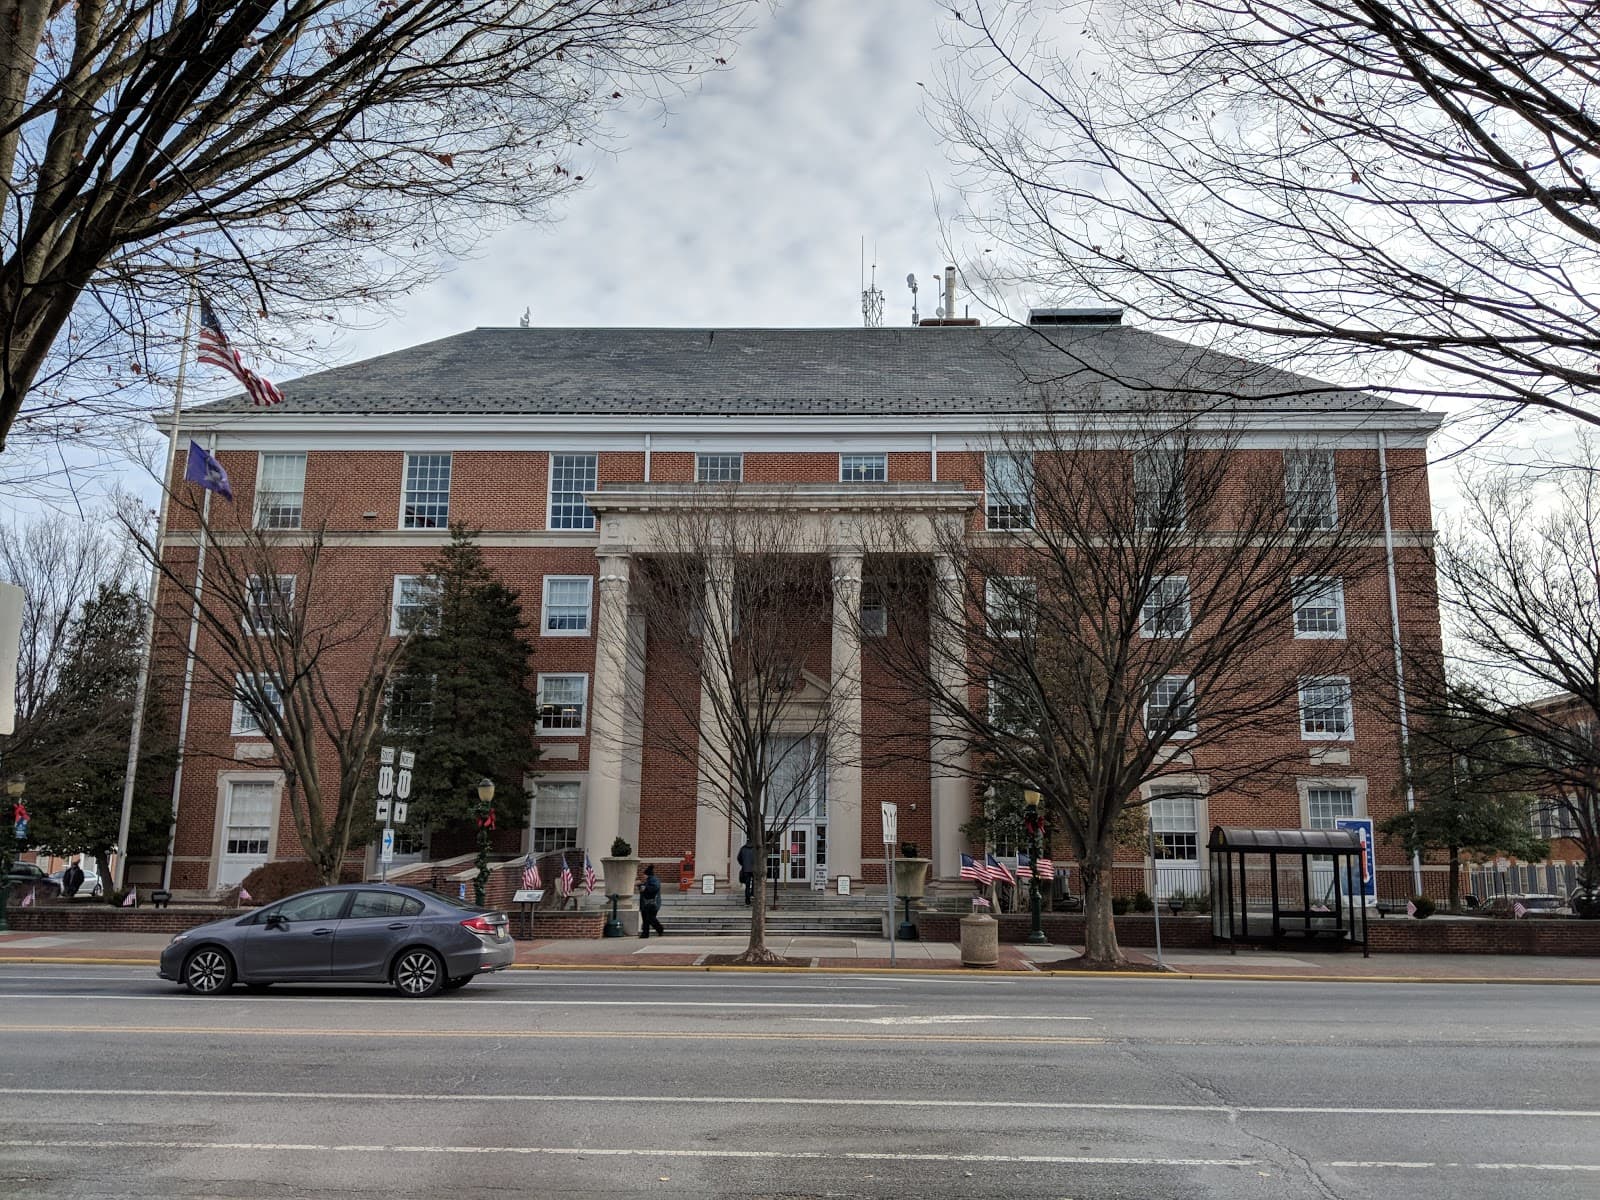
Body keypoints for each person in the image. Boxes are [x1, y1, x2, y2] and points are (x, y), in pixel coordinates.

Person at [639, 864, 665, 938]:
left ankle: (659, 929)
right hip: (648, 904)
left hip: (651, 903)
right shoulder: (650, 880)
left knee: (650, 918)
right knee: (647, 919)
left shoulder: (653, 880)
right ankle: (646, 933)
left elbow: (654, 888)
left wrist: (645, 888)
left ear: (647, 875)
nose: (643, 876)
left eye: (644, 875)